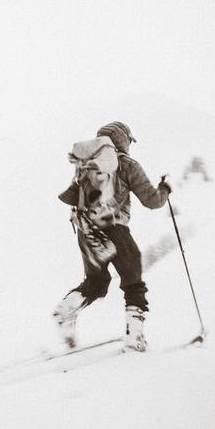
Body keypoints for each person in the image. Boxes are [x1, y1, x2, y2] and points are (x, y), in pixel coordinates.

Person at [53, 121, 172, 351]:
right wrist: (165, 189)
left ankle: (68, 308)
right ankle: (134, 337)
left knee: (96, 282)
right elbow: (152, 201)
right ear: (124, 139)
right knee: (133, 282)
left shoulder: (84, 166)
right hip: (116, 229)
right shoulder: (127, 165)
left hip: (87, 231)